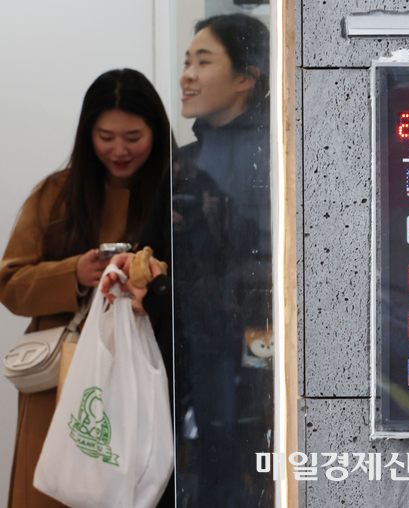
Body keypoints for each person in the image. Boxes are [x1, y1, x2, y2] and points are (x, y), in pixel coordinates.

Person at [104, 13, 273, 507]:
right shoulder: (184, 164)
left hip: (256, 363)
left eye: (203, 62)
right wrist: (138, 275)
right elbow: (151, 258)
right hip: (187, 363)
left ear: (246, 77)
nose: (186, 76)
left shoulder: (281, 156)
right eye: (185, 62)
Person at [0, 68, 171, 508]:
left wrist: (150, 284)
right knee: (52, 488)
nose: (119, 150)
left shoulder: (177, 195)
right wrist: (74, 274)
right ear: (87, 134)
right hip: (59, 383)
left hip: (141, 378)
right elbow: (10, 284)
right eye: (105, 136)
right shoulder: (56, 194)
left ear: (156, 132)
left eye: (133, 137)